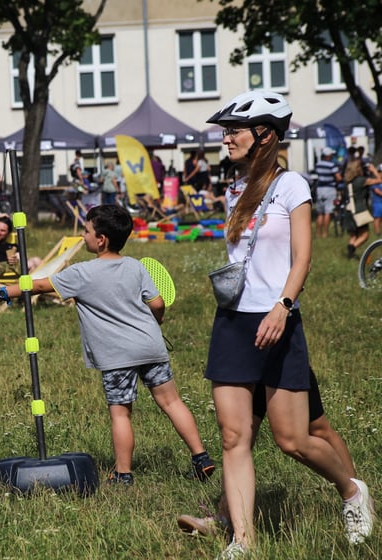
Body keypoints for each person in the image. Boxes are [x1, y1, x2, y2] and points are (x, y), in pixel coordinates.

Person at [204, 90, 373, 558]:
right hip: (233, 320)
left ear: (265, 135)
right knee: (234, 436)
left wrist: (282, 305)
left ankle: (352, 490)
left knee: (292, 440)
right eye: (226, 131)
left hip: (278, 318)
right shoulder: (233, 188)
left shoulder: (292, 184)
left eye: (234, 130)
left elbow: (303, 257)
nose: (227, 138)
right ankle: (242, 540)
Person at [0, 204, 215, 486]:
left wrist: (1, 292)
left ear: (101, 239)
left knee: (121, 413)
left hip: (117, 356)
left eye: (86, 231)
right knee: (172, 402)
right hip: (151, 347)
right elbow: (158, 303)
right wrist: (157, 321)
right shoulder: (135, 266)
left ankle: (123, 475)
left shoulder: (82, 273)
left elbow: (38, 286)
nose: (83, 236)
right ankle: (202, 458)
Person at [177, 369, 358, 538]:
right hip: (246, 361)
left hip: (279, 359)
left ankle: (357, 500)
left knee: (318, 429)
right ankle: (225, 517)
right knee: (236, 441)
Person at [0, 214, 41, 292]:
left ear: (8, 233)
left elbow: (21, 257)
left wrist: (16, 258)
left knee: (37, 261)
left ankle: (28, 293)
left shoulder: (12, 245)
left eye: (2, 231)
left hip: (12, 266)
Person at [344, 162, 381, 259]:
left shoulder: (347, 181)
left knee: (353, 235)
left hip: (348, 210)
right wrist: (373, 170)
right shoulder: (362, 180)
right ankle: (352, 248)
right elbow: (379, 180)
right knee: (365, 234)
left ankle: (350, 255)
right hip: (359, 210)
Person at [312, 147, 341, 238]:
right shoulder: (332, 165)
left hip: (320, 189)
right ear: (328, 156)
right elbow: (338, 177)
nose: (332, 156)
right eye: (331, 155)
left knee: (320, 213)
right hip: (330, 189)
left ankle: (318, 233)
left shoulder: (318, 164)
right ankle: (325, 233)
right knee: (328, 211)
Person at [373, 164, 382, 236]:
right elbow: (376, 191)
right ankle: (377, 232)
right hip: (377, 202)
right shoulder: (375, 180)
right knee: (377, 218)